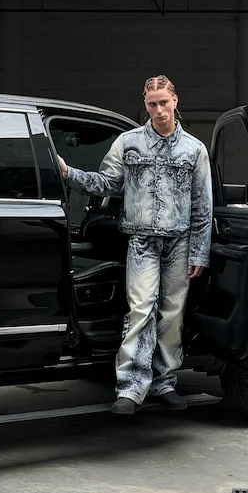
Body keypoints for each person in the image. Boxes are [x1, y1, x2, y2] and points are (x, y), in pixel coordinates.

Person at [56, 75, 212, 415]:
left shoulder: (194, 150)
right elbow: (105, 182)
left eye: (163, 102)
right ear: (145, 105)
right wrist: (69, 173)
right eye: (151, 104)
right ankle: (131, 388)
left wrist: (200, 251)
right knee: (141, 310)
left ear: (175, 101)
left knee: (171, 315)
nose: (158, 109)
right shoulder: (128, 143)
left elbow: (203, 205)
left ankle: (165, 383)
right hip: (141, 241)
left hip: (180, 242)